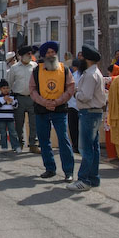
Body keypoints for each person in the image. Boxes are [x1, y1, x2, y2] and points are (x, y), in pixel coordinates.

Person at [29, 41, 75, 181]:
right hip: (41, 110)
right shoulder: (37, 70)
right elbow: (32, 89)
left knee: (63, 139)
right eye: (48, 52)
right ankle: (50, 168)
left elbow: (70, 87)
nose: (51, 54)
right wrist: (44, 102)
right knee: (44, 140)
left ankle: (68, 171)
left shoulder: (64, 69)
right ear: (43, 55)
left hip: (59, 109)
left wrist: (57, 102)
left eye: (53, 52)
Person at [67, 45, 107, 192]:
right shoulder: (95, 72)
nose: (80, 59)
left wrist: (75, 93)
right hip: (95, 112)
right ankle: (93, 178)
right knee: (94, 147)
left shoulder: (90, 75)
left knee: (86, 148)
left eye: (82, 57)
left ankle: (84, 179)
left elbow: (85, 96)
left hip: (89, 113)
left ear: (87, 59)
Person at [5, 45, 40, 153]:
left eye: (31, 54)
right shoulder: (14, 68)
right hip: (19, 98)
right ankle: (19, 143)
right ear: (21, 56)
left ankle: (33, 144)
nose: (30, 56)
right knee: (19, 123)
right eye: (28, 54)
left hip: (32, 98)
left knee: (34, 123)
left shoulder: (35, 66)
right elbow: (9, 83)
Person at [0, 79, 21, 153]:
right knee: (3, 133)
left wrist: (12, 102)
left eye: (7, 88)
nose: (6, 90)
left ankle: (16, 146)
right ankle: (4, 147)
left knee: (13, 132)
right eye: (4, 88)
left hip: (10, 118)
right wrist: (3, 100)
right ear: (0, 89)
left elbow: (16, 106)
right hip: (1, 118)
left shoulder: (12, 97)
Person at [67, 59, 81, 154]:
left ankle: (75, 146)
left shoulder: (72, 76)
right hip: (82, 105)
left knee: (73, 128)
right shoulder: (85, 76)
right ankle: (81, 146)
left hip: (72, 105)